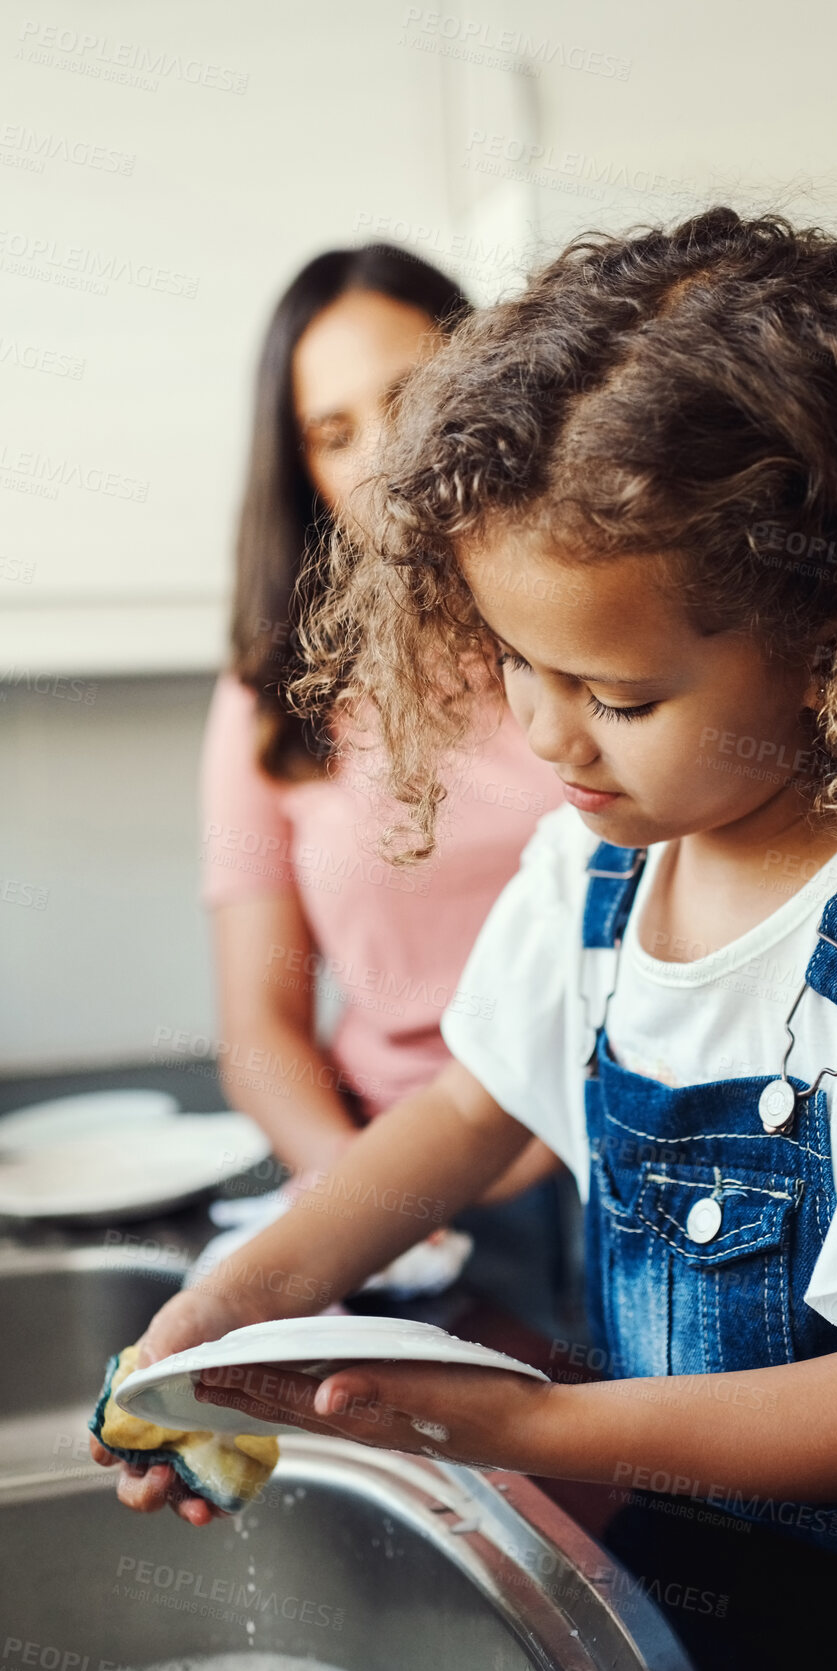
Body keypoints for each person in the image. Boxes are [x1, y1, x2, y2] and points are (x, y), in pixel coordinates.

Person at [95, 209, 837, 1671]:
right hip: (721, 1570)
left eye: (617, 692)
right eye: (515, 662)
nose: (550, 735)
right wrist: (236, 1306)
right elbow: (465, 1112)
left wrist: (547, 1425)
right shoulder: (595, 871)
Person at [195, 241, 561, 1275]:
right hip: (379, 1172)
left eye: (410, 396)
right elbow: (260, 1026)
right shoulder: (270, 699)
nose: (384, 454)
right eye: (333, 431)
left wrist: (521, 1147)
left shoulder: (581, 634)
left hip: (603, 1150)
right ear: (303, 468)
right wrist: (365, 1195)